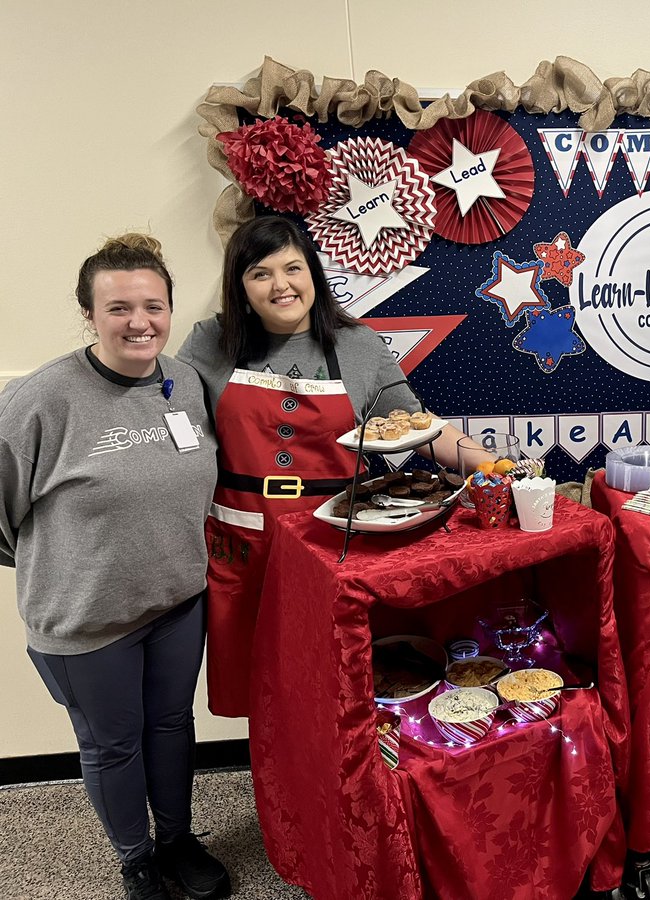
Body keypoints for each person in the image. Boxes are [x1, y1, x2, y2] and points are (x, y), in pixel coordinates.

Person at [0, 235, 229, 900]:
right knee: (113, 746)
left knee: (170, 724)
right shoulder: (41, 400)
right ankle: (136, 860)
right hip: (87, 618)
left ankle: (178, 840)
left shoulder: (183, 381)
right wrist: (67, 565)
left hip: (178, 600)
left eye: (153, 306)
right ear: (89, 315)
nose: (139, 322)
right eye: (119, 307)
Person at [178, 215, 479, 718]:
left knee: (339, 685)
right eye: (260, 273)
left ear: (314, 274)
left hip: (334, 541)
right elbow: (173, 424)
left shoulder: (356, 345)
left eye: (293, 268)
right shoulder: (211, 341)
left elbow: (418, 426)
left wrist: (486, 460)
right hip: (244, 546)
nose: (281, 285)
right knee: (264, 695)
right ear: (240, 285)